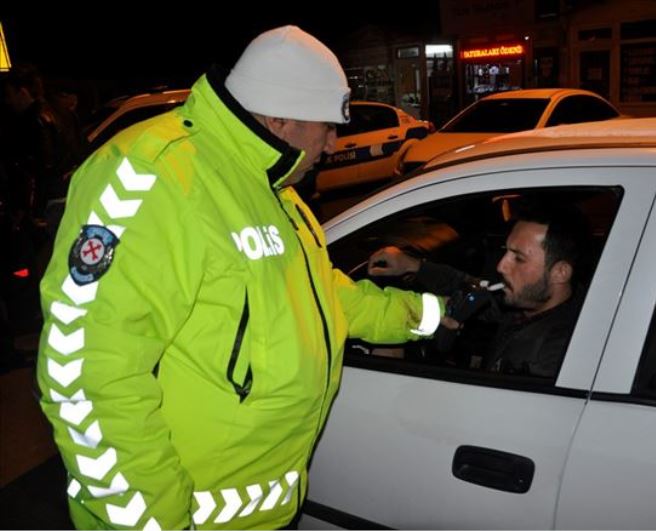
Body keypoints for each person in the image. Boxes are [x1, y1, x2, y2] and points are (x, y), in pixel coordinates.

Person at [36, 26, 442, 530]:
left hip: (265, 514)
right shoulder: (155, 175)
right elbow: (86, 374)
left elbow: (319, 294)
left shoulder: (268, 184)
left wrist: (428, 315)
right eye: (327, 126)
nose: (334, 142)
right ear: (279, 118)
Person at [368, 199, 589, 377]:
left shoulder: (553, 357)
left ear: (560, 272)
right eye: (506, 251)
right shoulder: (528, 303)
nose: (501, 266)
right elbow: (471, 288)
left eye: (519, 258)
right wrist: (414, 265)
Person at [1, 63, 77, 217]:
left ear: (22, 92)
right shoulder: (61, 110)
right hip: (67, 192)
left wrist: (31, 210)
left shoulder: (32, 121)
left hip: (48, 200)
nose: (8, 101)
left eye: (9, 94)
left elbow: (40, 169)